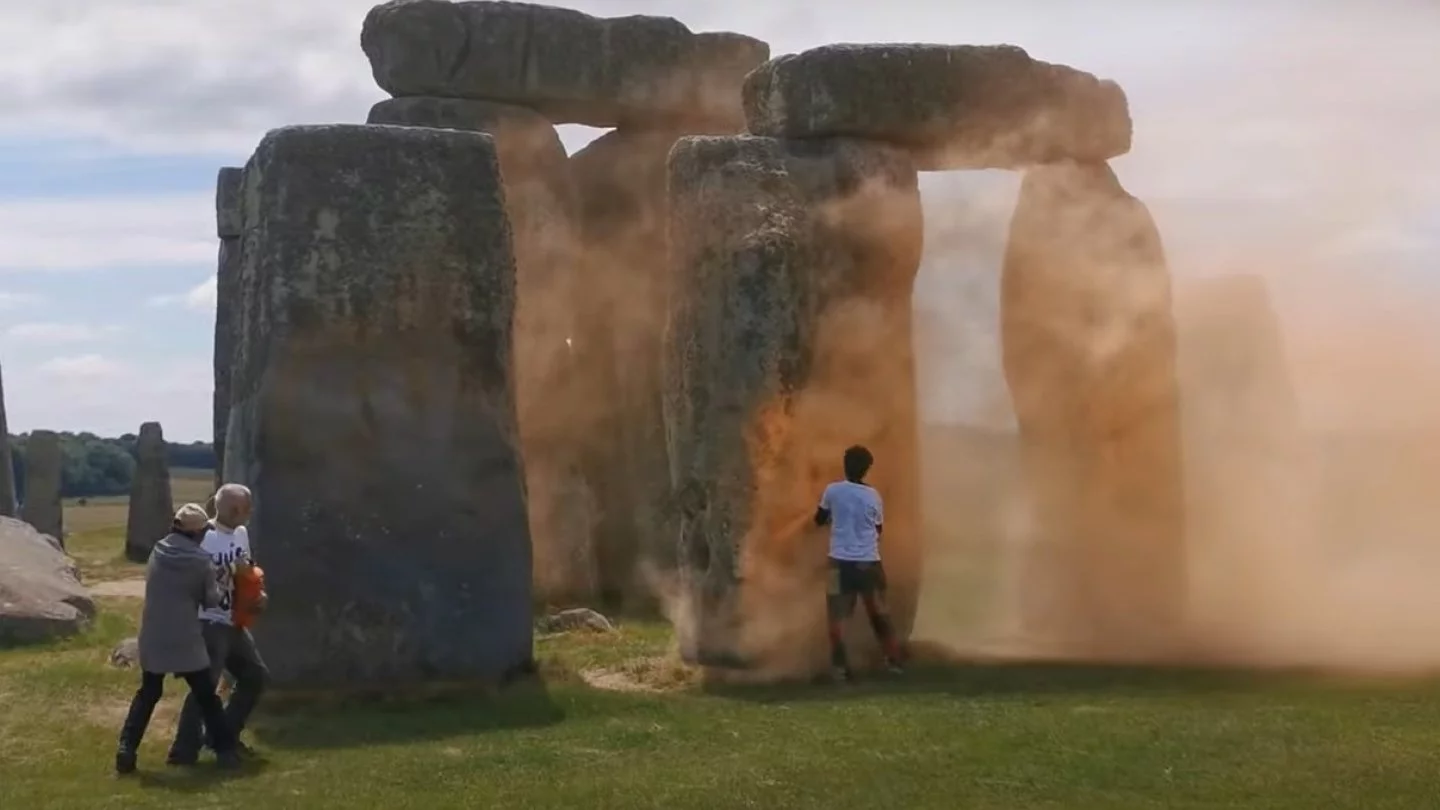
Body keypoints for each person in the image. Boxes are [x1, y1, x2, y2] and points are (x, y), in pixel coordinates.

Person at [115, 504, 241, 774]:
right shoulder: (200, 561)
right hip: (185, 636)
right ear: (197, 533)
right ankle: (226, 751)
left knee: (148, 694)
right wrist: (221, 584)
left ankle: (126, 749)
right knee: (206, 696)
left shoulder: (157, 551)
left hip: (153, 634)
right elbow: (210, 600)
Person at [167, 483, 269, 765]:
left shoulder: (241, 534)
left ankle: (222, 736)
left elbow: (246, 570)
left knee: (254, 675)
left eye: (245, 508)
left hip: (233, 619)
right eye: (239, 508)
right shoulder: (201, 538)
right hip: (206, 621)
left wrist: (257, 593)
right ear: (223, 507)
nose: (244, 513)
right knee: (205, 687)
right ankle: (183, 752)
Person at [814, 445, 905, 682]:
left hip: (839, 564)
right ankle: (894, 662)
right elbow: (878, 529)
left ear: (844, 464)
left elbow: (819, 519)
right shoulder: (874, 495)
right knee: (879, 615)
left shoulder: (832, 490)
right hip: (869, 564)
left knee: (837, 618)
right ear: (867, 470)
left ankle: (841, 670)